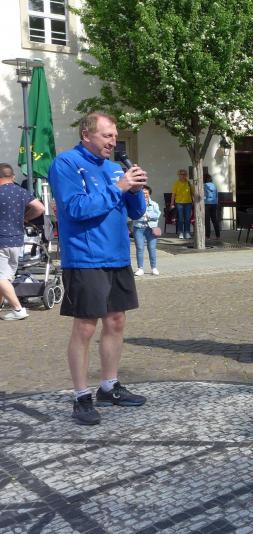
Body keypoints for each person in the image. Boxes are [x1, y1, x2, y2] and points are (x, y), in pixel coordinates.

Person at [48, 111, 149, 426]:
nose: (113, 142)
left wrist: (136, 190)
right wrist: (119, 187)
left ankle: (109, 386)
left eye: (115, 136)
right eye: (107, 136)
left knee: (116, 322)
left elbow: (136, 212)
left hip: (117, 257)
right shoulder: (66, 164)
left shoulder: (114, 168)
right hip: (85, 258)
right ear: (86, 135)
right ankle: (81, 396)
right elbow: (75, 208)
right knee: (85, 327)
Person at [0, 163, 45, 321]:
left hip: (1, 239)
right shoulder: (21, 191)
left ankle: (18, 309)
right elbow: (40, 208)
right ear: (12, 176)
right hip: (18, 240)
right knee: (6, 277)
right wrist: (26, 218)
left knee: (1, 277)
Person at [132, 185, 161, 276]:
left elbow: (157, 215)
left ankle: (154, 268)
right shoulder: (136, 204)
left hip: (152, 228)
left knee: (152, 248)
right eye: (143, 193)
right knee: (140, 248)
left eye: (146, 193)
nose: (145, 195)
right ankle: (140, 268)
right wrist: (145, 217)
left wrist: (147, 216)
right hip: (139, 228)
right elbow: (134, 216)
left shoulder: (154, 204)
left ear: (149, 194)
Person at [170, 169, 193, 239]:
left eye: (184, 174)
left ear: (186, 175)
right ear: (179, 175)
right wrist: (172, 203)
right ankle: (180, 232)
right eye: (181, 174)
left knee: (187, 219)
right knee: (180, 219)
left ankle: (187, 232)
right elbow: (173, 194)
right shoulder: (176, 183)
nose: (183, 176)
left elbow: (193, 193)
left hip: (188, 203)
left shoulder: (188, 183)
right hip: (179, 203)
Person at [203, 173, 220, 239]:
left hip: (207, 204)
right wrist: (216, 202)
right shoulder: (214, 185)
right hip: (214, 204)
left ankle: (207, 236)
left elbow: (204, 195)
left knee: (207, 220)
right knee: (214, 220)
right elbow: (216, 195)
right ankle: (218, 235)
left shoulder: (204, 185)